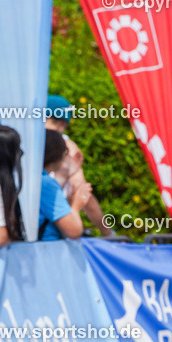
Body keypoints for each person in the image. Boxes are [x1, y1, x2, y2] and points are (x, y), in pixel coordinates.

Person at [44, 95, 112, 236]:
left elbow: (79, 188)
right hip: (56, 216)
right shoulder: (66, 145)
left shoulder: (66, 146)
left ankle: (108, 234)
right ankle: (110, 236)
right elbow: (80, 189)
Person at [39, 129, 91, 240]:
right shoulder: (46, 184)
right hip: (46, 250)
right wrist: (76, 206)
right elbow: (74, 231)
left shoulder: (34, 178)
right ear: (61, 155)